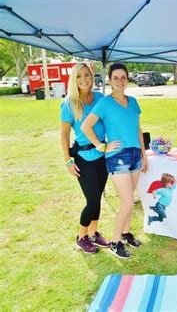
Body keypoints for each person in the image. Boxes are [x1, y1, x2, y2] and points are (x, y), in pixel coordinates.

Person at [81, 63, 148, 259]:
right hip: (117, 157)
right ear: (110, 80)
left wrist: (144, 154)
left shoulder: (133, 101)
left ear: (128, 79)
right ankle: (115, 241)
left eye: (123, 77)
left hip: (135, 154)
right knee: (127, 203)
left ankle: (126, 234)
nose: (120, 80)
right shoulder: (105, 103)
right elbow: (86, 126)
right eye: (116, 77)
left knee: (130, 199)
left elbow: (137, 129)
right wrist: (101, 146)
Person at [60, 63, 112, 254]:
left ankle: (93, 233)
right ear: (74, 79)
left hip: (102, 156)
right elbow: (64, 135)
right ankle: (81, 238)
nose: (84, 79)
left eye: (87, 75)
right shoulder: (69, 104)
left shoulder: (99, 98)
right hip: (83, 158)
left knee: (97, 198)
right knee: (91, 201)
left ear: (92, 77)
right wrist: (68, 161)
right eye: (79, 76)